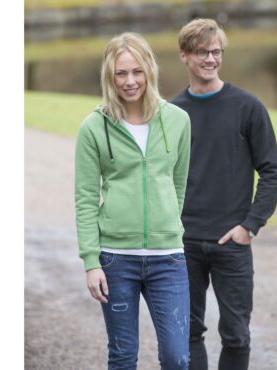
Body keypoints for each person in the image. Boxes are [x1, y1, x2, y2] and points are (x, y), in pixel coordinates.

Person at [75, 32, 191, 369]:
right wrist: (91, 261)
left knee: (177, 358)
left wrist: (167, 225)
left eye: (137, 71)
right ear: (109, 77)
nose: (130, 81)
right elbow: (85, 198)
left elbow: (178, 184)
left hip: (168, 259)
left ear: (150, 70)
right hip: (116, 260)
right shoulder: (93, 128)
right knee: (123, 357)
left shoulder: (178, 121)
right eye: (121, 73)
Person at [171, 19, 277, 370]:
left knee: (236, 335)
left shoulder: (248, 107)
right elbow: (160, 176)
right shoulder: (172, 113)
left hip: (232, 242)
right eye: (202, 52)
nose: (210, 59)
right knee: (187, 334)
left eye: (216, 52)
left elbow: (271, 170)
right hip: (184, 243)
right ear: (184, 55)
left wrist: (249, 225)